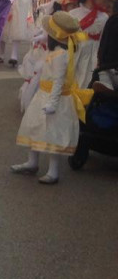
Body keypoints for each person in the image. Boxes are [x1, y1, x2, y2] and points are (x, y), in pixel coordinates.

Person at [11, 12, 93, 185]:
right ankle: (32, 162)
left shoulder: (60, 56)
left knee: (53, 133)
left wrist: (52, 103)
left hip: (54, 99)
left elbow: (58, 82)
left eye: (47, 32)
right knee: (35, 126)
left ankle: (53, 171)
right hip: (42, 95)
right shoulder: (54, 51)